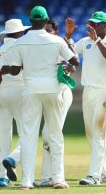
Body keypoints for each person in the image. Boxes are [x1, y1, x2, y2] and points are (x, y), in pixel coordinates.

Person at [5, 6, 79, 190]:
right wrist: (62, 63)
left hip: (31, 90)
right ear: (46, 21)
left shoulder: (19, 43)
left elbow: (14, 71)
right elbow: (75, 61)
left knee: (29, 135)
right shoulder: (56, 40)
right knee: (55, 135)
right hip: (53, 90)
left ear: (30, 21)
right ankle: (58, 179)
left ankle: (26, 181)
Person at [65, 11, 106, 185]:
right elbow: (70, 52)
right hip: (88, 90)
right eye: (91, 23)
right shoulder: (86, 41)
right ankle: (103, 173)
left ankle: (94, 175)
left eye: (96, 24)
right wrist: (68, 36)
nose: (92, 27)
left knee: (98, 133)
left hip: (105, 90)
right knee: (91, 133)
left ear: (105, 25)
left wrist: (97, 41)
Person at [33, 18, 76, 187]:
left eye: (49, 30)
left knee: (52, 133)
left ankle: (55, 177)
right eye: (45, 29)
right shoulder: (43, 46)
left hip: (63, 93)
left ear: (56, 32)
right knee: (47, 134)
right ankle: (47, 176)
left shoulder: (60, 44)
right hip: (51, 93)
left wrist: (63, 65)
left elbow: (73, 67)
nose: (46, 32)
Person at [0, 19, 30, 187]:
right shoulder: (20, 45)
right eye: (21, 32)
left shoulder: (0, 49)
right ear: (17, 33)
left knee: (4, 136)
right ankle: (13, 160)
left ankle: (3, 177)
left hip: (3, 91)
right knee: (27, 132)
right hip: (18, 89)